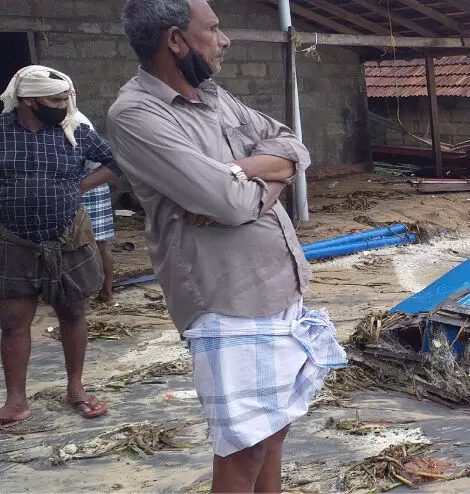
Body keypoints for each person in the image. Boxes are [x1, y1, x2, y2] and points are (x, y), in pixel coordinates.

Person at [109, 1, 347, 492]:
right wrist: (264, 177)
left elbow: (291, 144)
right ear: (175, 40)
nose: (225, 40)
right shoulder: (137, 115)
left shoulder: (215, 97)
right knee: (244, 449)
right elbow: (231, 203)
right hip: (227, 302)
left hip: (279, 289)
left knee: (274, 431)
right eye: (213, 29)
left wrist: (243, 170)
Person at [0, 65, 119, 428]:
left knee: (73, 313)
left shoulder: (75, 131)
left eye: (66, 98)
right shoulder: (1, 130)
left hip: (67, 238)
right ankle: (16, 402)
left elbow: (115, 161)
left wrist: (78, 187)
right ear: (28, 101)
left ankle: (76, 389)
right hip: (14, 241)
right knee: (13, 321)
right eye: (55, 100)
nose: (64, 106)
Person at [78, 112, 117, 305]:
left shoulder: (76, 122)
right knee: (97, 242)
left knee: (83, 244)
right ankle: (104, 294)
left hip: (86, 181)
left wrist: (80, 187)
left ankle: (94, 297)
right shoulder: (72, 117)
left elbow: (114, 159)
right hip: (90, 181)